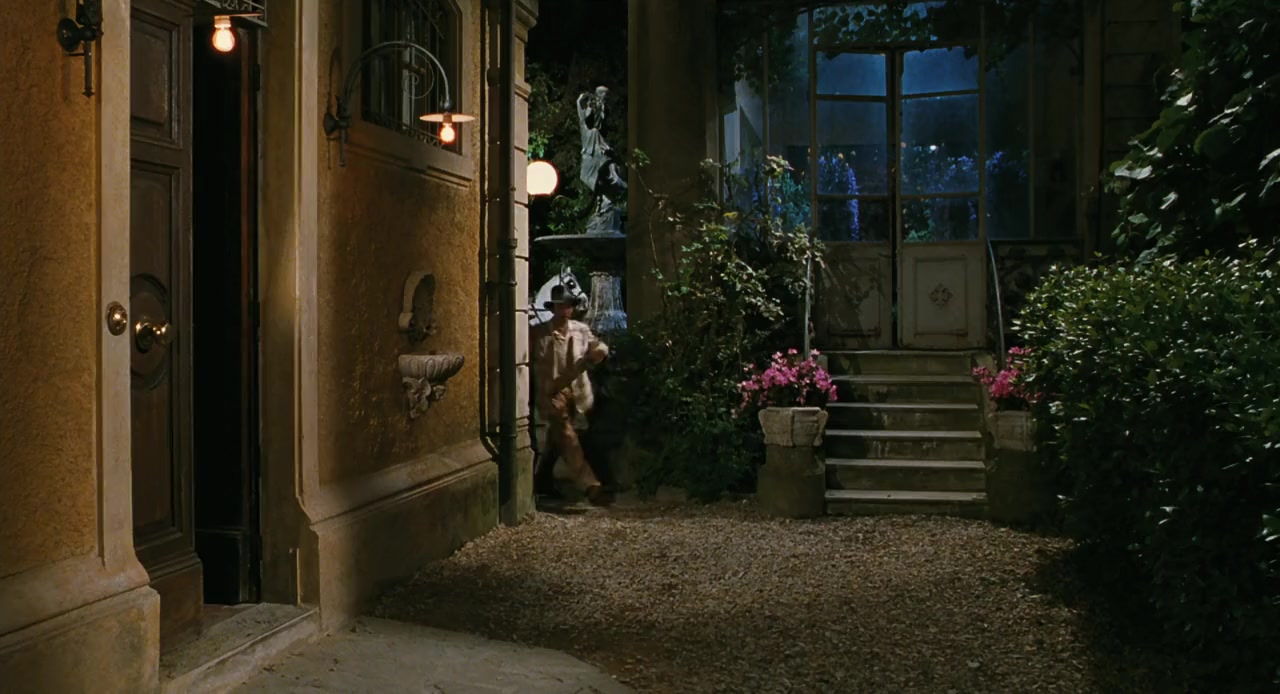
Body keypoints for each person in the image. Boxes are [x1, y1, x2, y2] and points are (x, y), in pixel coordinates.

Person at [531, 284, 612, 505]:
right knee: (566, 435)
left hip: (577, 392)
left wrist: (599, 352)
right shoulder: (538, 333)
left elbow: (598, 346)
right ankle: (590, 485)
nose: (565, 310)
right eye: (560, 306)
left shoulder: (580, 330)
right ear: (553, 308)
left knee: (557, 438)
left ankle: (542, 479)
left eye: (568, 305)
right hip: (551, 393)